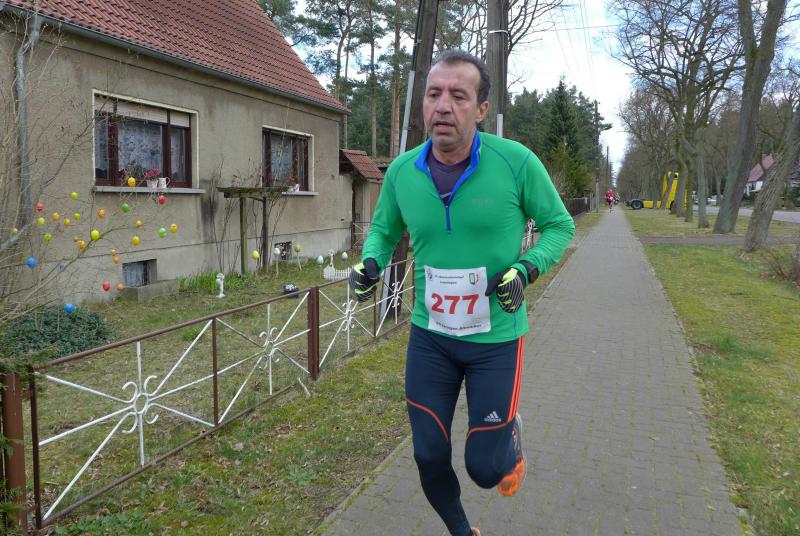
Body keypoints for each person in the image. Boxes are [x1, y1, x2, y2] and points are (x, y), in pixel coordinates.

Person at [349, 50, 575, 536]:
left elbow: (560, 225)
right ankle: (461, 531)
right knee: (428, 454)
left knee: (484, 469)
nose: (443, 105)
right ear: (423, 104)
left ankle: (509, 439)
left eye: (458, 95)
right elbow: (383, 231)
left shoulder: (515, 163)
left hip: (496, 340)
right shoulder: (401, 172)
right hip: (430, 338)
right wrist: (371, 263)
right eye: (434, 94)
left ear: (481, 109)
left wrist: (525, 269)